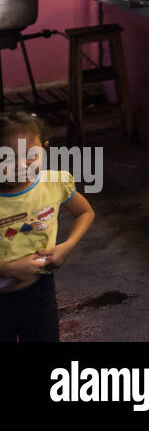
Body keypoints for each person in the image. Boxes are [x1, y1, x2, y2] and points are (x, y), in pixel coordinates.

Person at [0, 111, 95, 341]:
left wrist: (67, 247)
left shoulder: (54, 183)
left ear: (44, 148)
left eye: (30, 155)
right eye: (7, 158)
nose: (21, 165)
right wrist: (10, 269)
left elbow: (85, 212)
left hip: (40, 293)